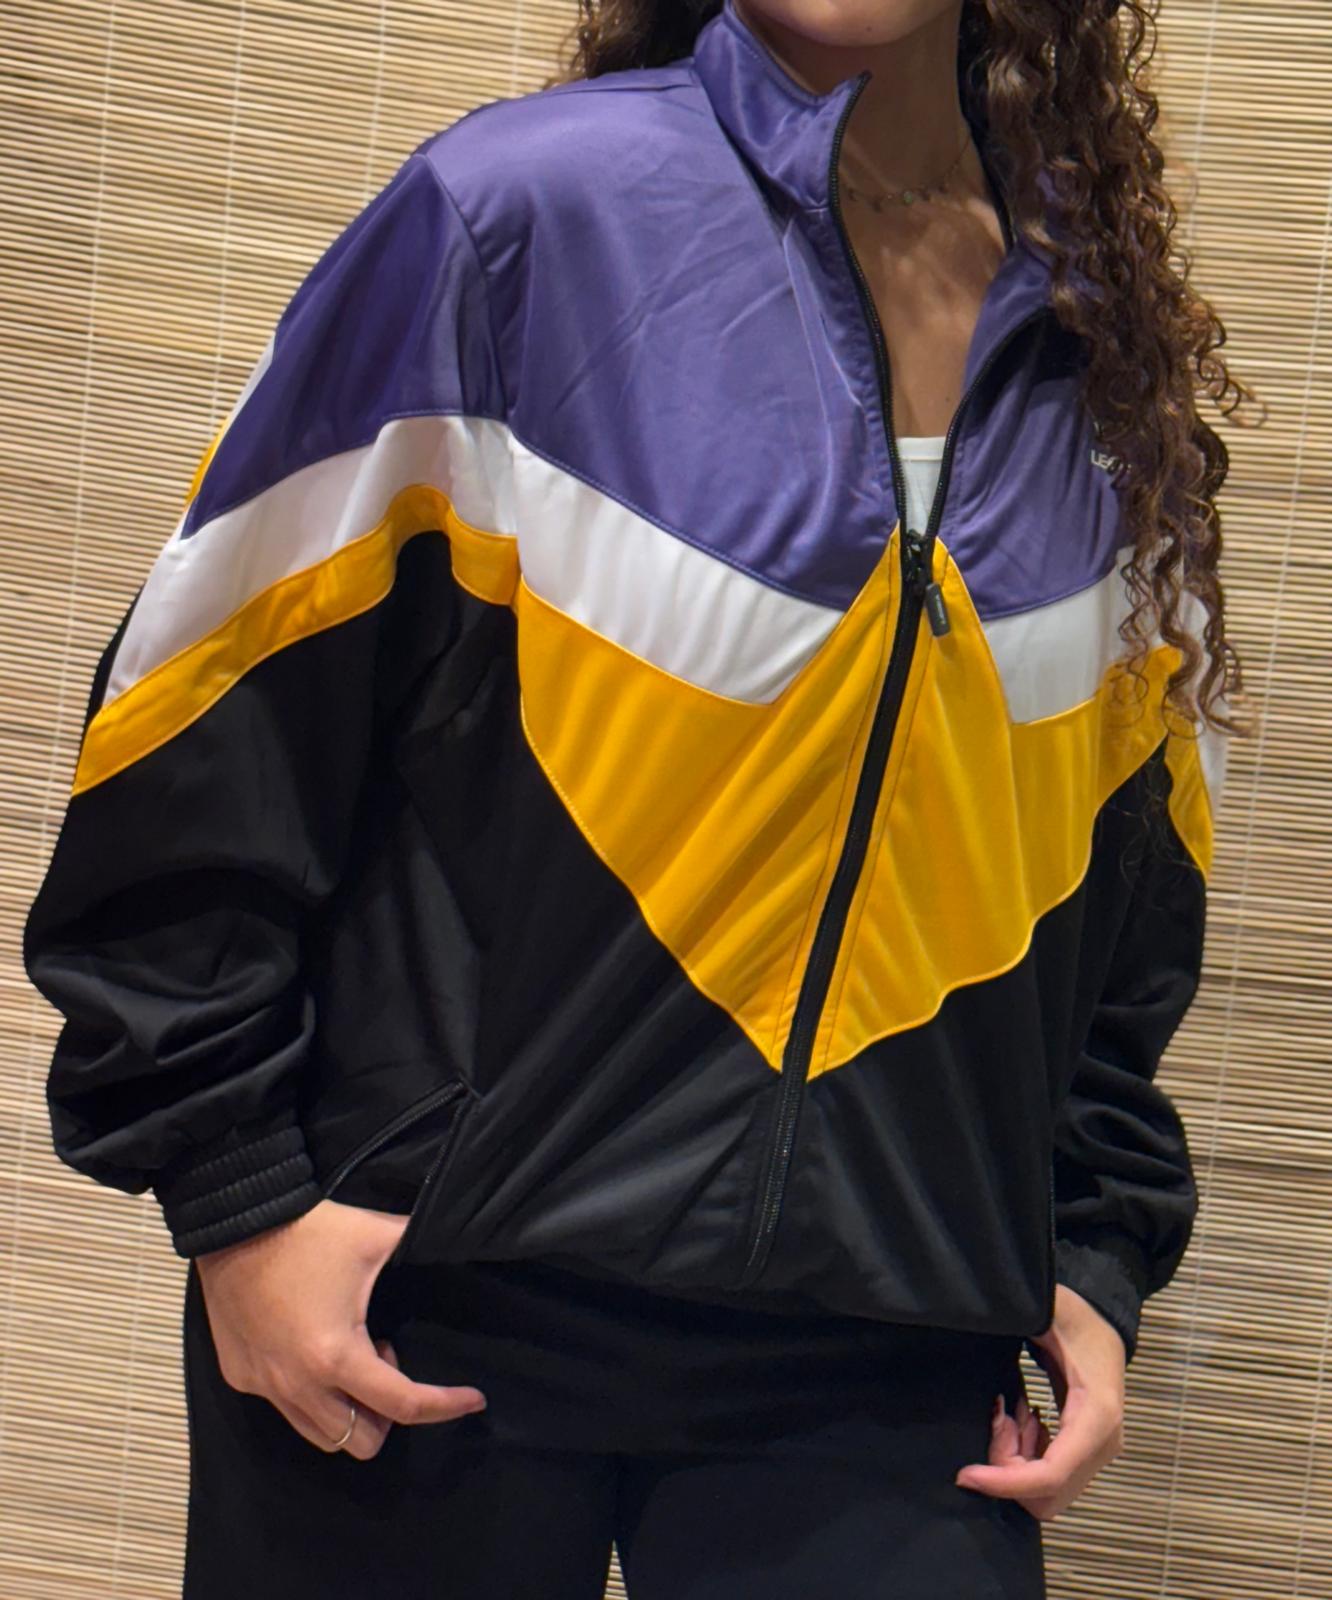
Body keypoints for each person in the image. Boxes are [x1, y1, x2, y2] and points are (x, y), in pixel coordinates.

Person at [22, 0, 1252, 1595]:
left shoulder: (1096, 352)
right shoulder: (518, 219)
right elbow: (208, 718)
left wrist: (1089, 1244)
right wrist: (238, 1192)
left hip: (883, 1358)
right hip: (428, 1303)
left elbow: (1122, 889)